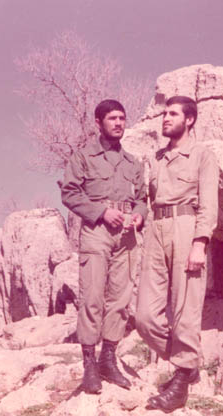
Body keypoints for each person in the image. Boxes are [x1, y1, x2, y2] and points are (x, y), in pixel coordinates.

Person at [135, 95, 219, 412]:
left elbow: (209, 203)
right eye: (164, 113)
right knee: (145, 317)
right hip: (156, 230)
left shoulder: (202, 155)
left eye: (173, 114)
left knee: (186, 308)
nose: (166, 118)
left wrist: (200, 242)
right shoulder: (156, 158)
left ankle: (181, 380)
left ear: (189, 119)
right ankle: (188, 363)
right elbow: (148, 198)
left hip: (187, 227)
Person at [60, 99, 147, 394]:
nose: (118, 123)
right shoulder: (83, 157)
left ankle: (108, 359)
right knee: (92, 297)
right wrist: (101, 212)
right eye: (112, 118)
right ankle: (89, 366)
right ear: (98, 123)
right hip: (97, 231)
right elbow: (70, 194)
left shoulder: (133, 163)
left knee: (120, 300)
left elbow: (142, 199)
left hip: (127, 234)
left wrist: (139, 215)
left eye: (122, 118)